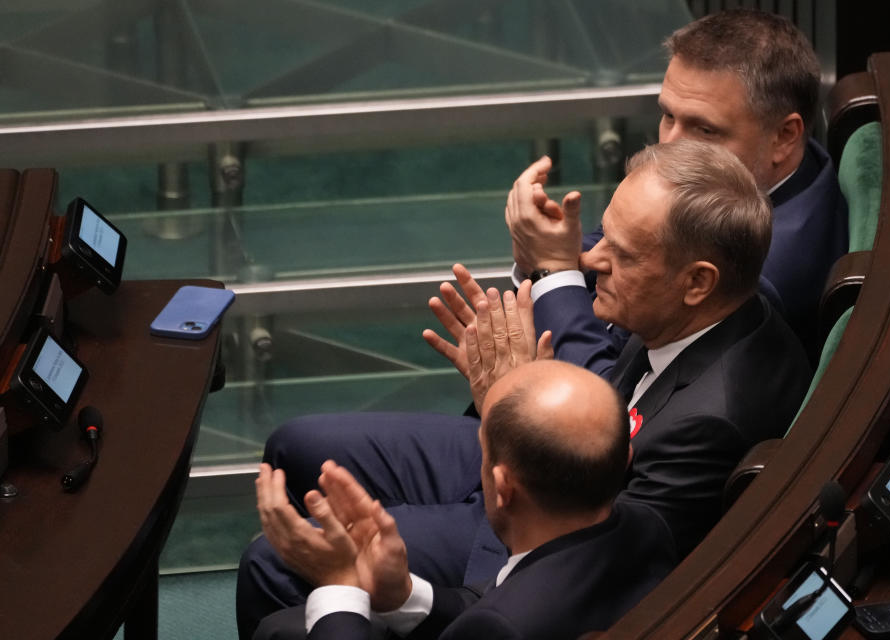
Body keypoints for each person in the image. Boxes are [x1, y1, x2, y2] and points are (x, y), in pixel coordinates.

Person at [236, 139, 812, 638]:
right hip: (529, 461)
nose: (591, 258)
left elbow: (579, 548)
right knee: (295, 445)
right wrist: (515, 394)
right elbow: (608, 388)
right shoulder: (712, 305)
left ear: (696, 283)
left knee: (272, 563)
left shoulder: (711, 420)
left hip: (534, 504)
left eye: (621, 254)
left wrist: (512, 405)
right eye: (603, 235)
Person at [250, 360, 677, 639]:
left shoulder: (497, 629)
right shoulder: (648, 526)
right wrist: (401, 593)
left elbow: (497, 613)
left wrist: (340, 584)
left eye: (482, 450)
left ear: (502, 487)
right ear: (625, 459)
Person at [508, 9, 847, 360]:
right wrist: (550, 249)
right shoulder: (792, 166)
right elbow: (622, 243)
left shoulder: (761, 280)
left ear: (784, 136)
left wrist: (552, 271)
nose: (669, 144)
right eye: (668, 115)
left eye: (705, 130)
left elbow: (617, 398)